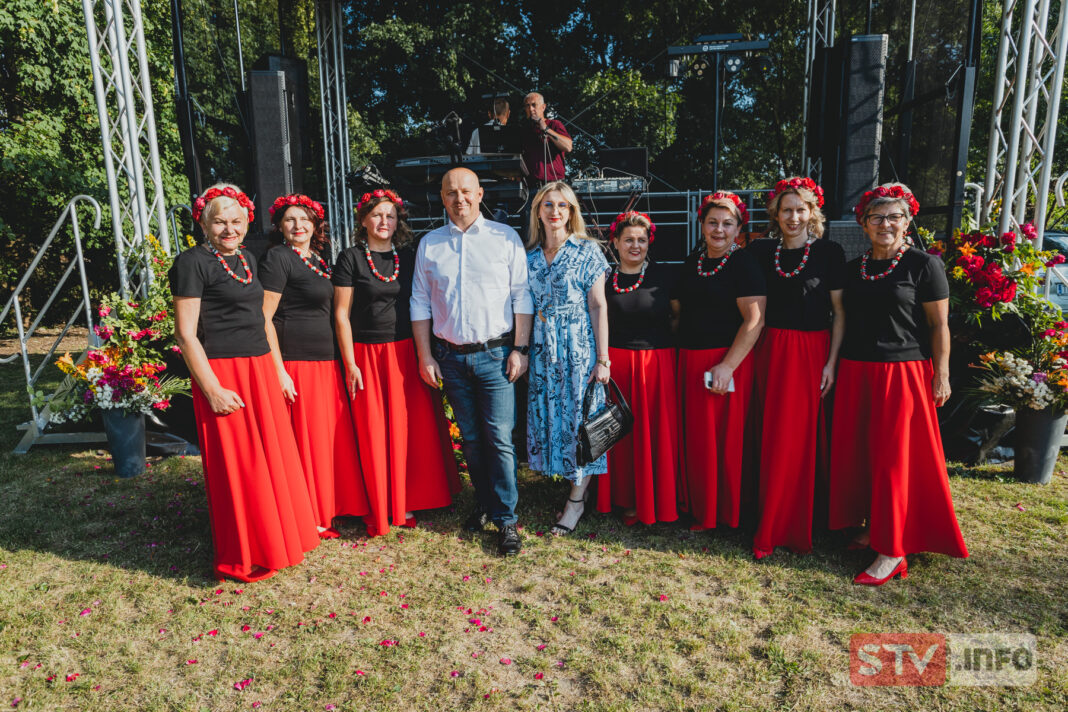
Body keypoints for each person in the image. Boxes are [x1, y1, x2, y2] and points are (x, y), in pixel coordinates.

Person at [170, 183, 319, 582]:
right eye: (219, 221)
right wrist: (213, 389)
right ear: (203, 221)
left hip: (259, 369)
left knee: (271, 458)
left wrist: (275, 370)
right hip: (223, 372)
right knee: (241, 465)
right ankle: (248, 549)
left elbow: (260, 321)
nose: (229, 228)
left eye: (236, 221)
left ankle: (280, 537)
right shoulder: (191, 263)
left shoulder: (249, 259)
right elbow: (186, 335)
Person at [829, 182, 968, 585]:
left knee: (894, 461)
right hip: (857, 371)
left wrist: (941, 374)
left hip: (902, 373)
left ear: (907, 222)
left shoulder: (924, 265)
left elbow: (939, 325)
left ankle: (893, 550)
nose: (885, 224)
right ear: (864, 224)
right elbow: (841, 319)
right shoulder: (852, 269)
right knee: (864, 455)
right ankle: (875, 528)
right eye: (877, 217)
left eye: (894, 217)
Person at [410, 168, 534, 556]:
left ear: (480, 194)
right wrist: (425, 354)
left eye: (465, 191)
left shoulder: (504, 238)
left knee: (499, 439)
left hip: (496, 356)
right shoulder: (430, 244)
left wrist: (521, 348)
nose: (458, 199)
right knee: (473, 439)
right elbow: (420, 302)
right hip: (449, 357)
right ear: (442, 198)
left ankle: (507, 520)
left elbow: (522, 297)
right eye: (450, 193)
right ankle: (484, 503)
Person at [334, 188, 461, 537]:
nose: (384, 221)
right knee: (375, 432)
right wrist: (350, 362)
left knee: (410, 430)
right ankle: (381, 502)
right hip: (367, 356)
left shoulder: (409, 256)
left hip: (407, 351)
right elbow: (341, 316)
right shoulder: (350, 258)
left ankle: (410, 498)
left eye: (390, 215)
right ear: (363, 220)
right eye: (377, 215)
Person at [260, 194, 370, 539]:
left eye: (304, 219)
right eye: (290, 220)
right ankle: (308, 515)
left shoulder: (319, 260)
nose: (298, 226)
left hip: (326, 362)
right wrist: (279, 371)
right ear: (280, 226)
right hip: (298, 361)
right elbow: (263, 319)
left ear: (315, 224)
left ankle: (331, 506)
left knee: (327, 439)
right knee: (307, 441)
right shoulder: (278, 258)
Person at [747, 178, 845, 559]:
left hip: (810, 353)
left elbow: (840, 314)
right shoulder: (760, 251)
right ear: (776, 213)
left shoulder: (829, 253)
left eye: (800, 209)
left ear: (812, 213)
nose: (793, 217)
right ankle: (764, 514)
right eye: (786, 209)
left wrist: (831, 363)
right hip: (769, 350)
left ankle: (793, 522)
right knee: (769, 433)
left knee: (797, 439)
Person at [672, 192, 766, 531]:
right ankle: (698, 506)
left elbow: (754, 321)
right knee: (697, 440)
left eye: (727, 223)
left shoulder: (744, 264)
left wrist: (727, 365)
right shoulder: (692, 262)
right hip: (691, 361)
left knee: (724, 442)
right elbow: (679, 314)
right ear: (701, 224)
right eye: (712, 222)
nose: (719, 229)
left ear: (738, 228)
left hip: (725, 363)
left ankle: (723, 513)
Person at [525, 181, 611, 535]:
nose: (555, 211)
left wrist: (603, 358)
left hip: (578, 348)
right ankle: (568, 484)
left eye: (563, 205)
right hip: (543, 349)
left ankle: (576, 501)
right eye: (548, 205)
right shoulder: (527, 257)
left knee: (581, 419)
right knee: (550, 414)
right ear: (538, 212)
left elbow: (598, 304)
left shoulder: (588, 251)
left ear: (572, 212)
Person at [595, 211, 680, 526]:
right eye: (628, 239)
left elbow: (676, 318)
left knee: (654, 435)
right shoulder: (603, 279)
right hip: (616, 366)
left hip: (655, 365)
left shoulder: (664, 278)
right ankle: (620, 498)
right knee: (618, 435)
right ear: (615, 242)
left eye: (641, 240)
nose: (635, 245)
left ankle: (653, 499)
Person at [521, 92, 572, 186]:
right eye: (527, 106)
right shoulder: (525, 131)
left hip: (554, 184)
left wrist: (546, 129)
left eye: (534, 105)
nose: (530, 109)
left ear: (543, 107)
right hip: (531, 186)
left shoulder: (554, 124)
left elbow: (568, 146)